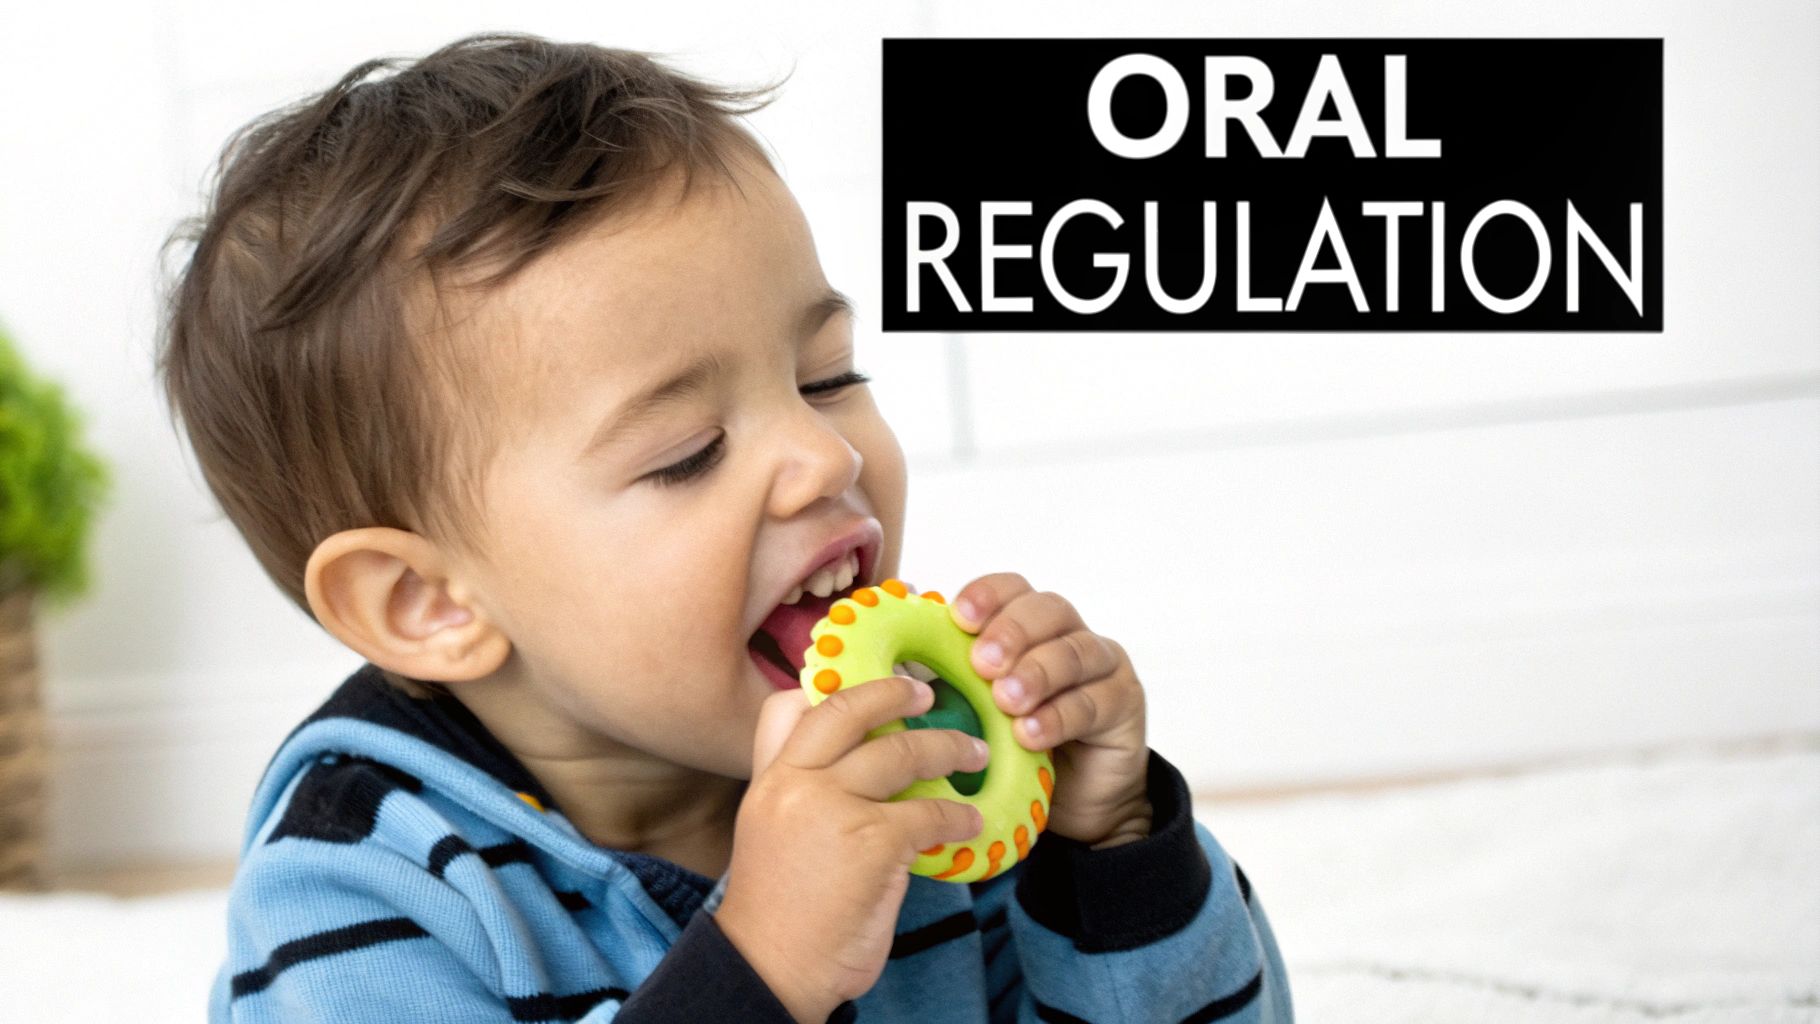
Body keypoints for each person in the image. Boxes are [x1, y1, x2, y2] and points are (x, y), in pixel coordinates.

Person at [157, 31, 1293, 1023]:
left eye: (827, 376)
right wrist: (759, 966)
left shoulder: (934, 772)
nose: (825, 455)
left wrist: (1111, 855)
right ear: (431, 603)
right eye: (686, 452)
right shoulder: (356, 893)